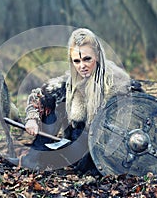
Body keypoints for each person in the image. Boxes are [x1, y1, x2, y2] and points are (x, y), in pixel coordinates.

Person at [17, 28, 137, 174]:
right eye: (77, 61)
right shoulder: (71, 82)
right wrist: (31, 119)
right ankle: (37, 156)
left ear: (97, 56)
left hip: (103, 148)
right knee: (53, 101)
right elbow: (40, 95)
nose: (82, 66)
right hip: (74, 144)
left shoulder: (116, 83)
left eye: (87, 59)